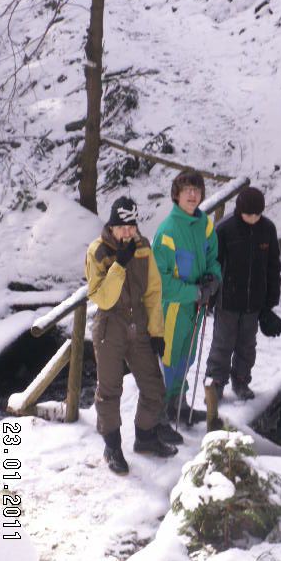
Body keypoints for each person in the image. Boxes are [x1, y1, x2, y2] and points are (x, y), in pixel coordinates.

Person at [86, 196, 181, 475]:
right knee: (110, 389)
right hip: (110, 324)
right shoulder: (98, 251)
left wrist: (157, 332)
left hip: (138, 322)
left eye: (132, 225)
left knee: (154, 385)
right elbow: (102, 298)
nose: (128, 232)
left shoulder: (143, 247)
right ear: (112, 225)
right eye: (122, 226)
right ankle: (112, 446)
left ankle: (146, 437)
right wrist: (119, 266)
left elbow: (153, 292)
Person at [203, 186, 281, 427]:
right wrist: (210, 296)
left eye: (257, 214)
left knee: (248, 343)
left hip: (254, 301)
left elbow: (273, 268)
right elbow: (213, 264)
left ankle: (241, 380)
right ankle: (216, 383)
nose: (253, 219)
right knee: (223, 342)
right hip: (228, 299)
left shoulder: (267, 230)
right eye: (249, 214)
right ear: (240, 211)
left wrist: (269, 304)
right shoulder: (225, 229)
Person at [152, 170, 221, 425]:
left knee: (187, 356)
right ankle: (159, 414)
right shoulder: (167, 231)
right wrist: (194, 292)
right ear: (177, 195)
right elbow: (160, 282)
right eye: (187, 190)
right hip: (173, 308)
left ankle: (178, 404)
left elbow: (214, 258)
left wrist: (214, 278)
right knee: (169, 360)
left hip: (197, 306)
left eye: (197, 189)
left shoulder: (205, 224)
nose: (192, 195)